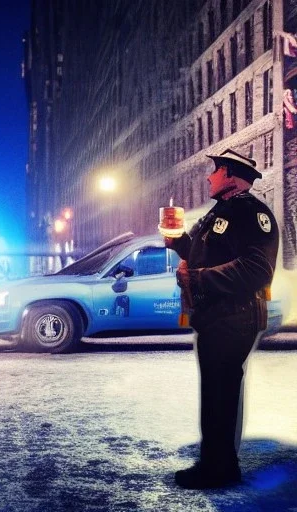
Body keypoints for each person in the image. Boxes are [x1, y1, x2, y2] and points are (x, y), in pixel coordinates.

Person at [162, 149, 279, 489]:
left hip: (234, 319)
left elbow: (257, 269)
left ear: (229, 175)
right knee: (216, 393)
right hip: (217, 319)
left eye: (214, 171)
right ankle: (218, 463)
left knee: (221, 396)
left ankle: (219, 470)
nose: (208, 177)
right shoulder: (222, 212)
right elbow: (207, 254)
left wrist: (196, 279)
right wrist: (179, 242)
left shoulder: (251, 212)